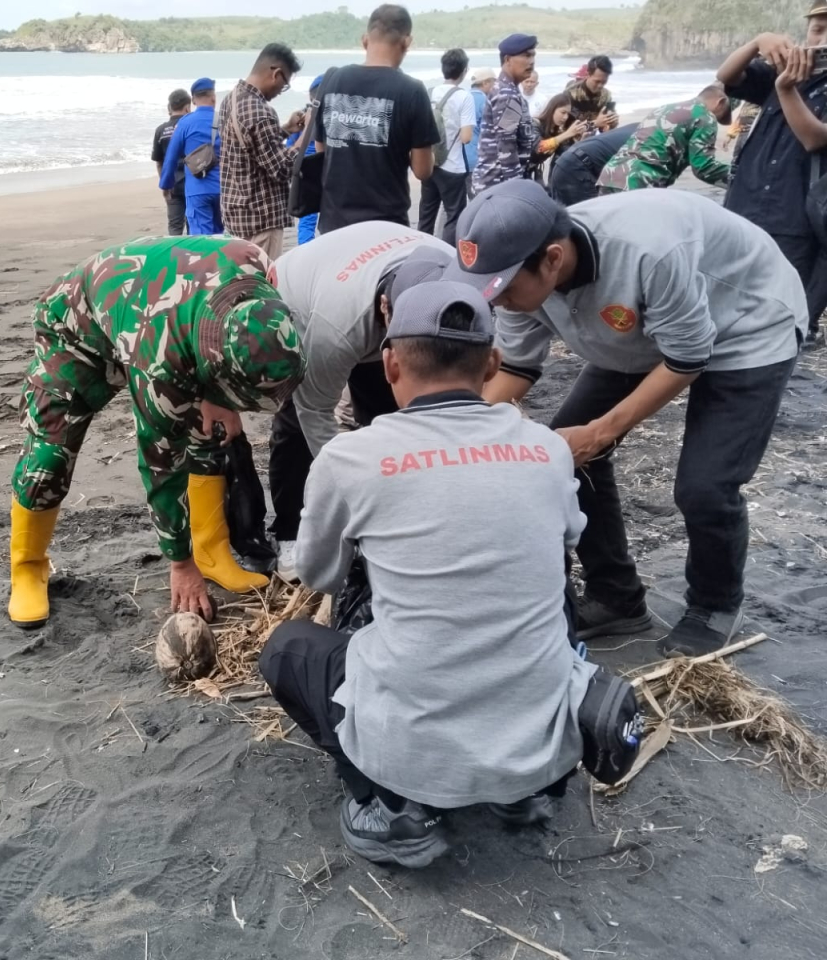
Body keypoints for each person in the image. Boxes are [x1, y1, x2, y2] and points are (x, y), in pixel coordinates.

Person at [259, 280, 596, 868]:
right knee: (548, 580)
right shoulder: (546, 448)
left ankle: (390, 809)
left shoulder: (351, 457)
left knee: (287, 649)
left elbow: (319, 572)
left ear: (389, 365)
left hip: (414, 755)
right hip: (543, 750)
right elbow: (569, 538)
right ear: (493, 363)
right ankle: (524, 792)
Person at [450, 181, 807, 658]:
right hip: (649, 332)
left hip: (747, 324)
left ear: (553, 258)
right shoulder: (518, 276)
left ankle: (715, 604)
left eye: (503, 289)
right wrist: (461, 436)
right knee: (566, 459)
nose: (495, 301)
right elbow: (517, 367)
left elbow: (687, 357)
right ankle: (616, 597)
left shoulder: (647, 250)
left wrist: (600, 432)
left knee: (704, 487)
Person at [9, 237, 305, 628]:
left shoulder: (260, 277)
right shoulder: (161, 366)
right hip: (78, 326)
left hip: (160, 316)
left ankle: (211, 550)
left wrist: (224, 400)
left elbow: (250, 349)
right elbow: (161, 464)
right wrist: (179, 564)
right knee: (51, 455)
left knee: (209, 432)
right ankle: (28, 568)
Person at [268, 223, 454, 578]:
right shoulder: (333, 330)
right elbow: (316, 415)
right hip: (299, 301)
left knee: (390, 414)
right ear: (387, 309)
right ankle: (289, 530)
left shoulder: (454, 274)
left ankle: (402, 502)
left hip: (364, 283)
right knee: (294, 426)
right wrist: (355, 498)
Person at [718, 4, 827, 345]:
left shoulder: (788, 81)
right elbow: (727, 76)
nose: (821, 38)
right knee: (730, 296)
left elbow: (814, 138)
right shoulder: (787, 70)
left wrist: (786, 90)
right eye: (817, 28)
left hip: (794, 214)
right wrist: (757, 42)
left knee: (781, 316)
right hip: (746, 201)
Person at [313, 4, 439, 234]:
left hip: (334, 225)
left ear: (365, 40)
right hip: (386, 229)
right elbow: (423, 171)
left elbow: (321, 150)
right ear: (407, 42)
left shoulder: (332, 80)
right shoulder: (412, 91)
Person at [217, 44, 310, 259]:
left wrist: (287, 129)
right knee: (262, 285)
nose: (280, 91)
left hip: (237, 215)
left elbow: (252, 146)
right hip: (261, 221)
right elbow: (283, 168)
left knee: (242, 283)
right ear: (275, 74)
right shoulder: (261, 112)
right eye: (284, 84)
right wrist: (307, 133)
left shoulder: (231, 99)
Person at [598, 85, 733, 194]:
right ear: (720, 102)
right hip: (640, 181)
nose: (718, 120)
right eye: (722, 115)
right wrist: (742, 175)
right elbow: (704, 168)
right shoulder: (705, 116)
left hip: (610, 175)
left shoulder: (664, 108)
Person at [417, 48, 476, 244]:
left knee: (426, 213)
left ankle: (419, 250)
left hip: (429, 162)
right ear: (464, 70)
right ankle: (447, 256)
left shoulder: (429, 92)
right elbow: (467, 137)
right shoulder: (464, 96)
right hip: (453, 166)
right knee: (454, 215)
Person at [470, 33, 540, 196]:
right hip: (497, 187)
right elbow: (506, 148)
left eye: (533, 56)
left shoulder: (504, 89)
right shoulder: (507, 94)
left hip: (493, 184)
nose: (531, 61)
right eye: (526, 55)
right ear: (508, 59)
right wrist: (515, 191)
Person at [158, 78, 223, 235]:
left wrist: (166, 185)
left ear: (193, 101)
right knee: (221, 237)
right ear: (213, 97)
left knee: (201, 240)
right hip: (223, 189)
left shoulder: (185, 123)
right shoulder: (224, 119)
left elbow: (171, 158)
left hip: (197, 189)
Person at [548, 123, 636, 206]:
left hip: (568, 162)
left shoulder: (640, 129)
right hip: (578, 169)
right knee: (589, 219)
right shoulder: (645, 139)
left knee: (565, 217)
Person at [285, 74, 324, 244]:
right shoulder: (338, 116)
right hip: (330, 173)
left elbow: (289, 149)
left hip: (306, 176)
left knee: (307, 222)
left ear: (311, 96)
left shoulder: (301, 118)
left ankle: (306, 254)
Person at [152, 88, 191, 235]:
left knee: (175, 226)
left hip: (172, 184)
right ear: (187, 107)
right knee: (192, 224)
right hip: (192, 183)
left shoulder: (161, 130)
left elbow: (159, 161)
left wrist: (164, 184)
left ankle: (174, 256)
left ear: (169, 107)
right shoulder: (191, 126)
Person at [529, 92, 589, 182]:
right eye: (563, 112)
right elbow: (539, 147)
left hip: (531, 171)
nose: (565, 117)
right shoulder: (534, 124)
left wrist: (581, 142)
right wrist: (567, 134)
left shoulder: (556, 131)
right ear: (552, 109)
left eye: (568, 114)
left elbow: (566, 152)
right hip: (515, 170)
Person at [566, 55, 619, 132]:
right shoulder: (571, 94)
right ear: (588, 74)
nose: (600, 86)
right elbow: (566, 129)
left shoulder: (606, 95)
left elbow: (608, 126)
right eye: (597, 81)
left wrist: (613, 122)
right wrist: (595, 124)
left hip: (598, 138)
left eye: (604, 82)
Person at [467, 66, 496, 167]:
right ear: (485, 83)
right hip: (476, 159)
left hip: (458, 160)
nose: (495, 86)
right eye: (494, 82)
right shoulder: (485, 102)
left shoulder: (463, 97)